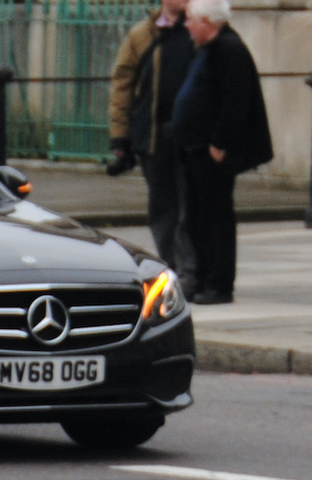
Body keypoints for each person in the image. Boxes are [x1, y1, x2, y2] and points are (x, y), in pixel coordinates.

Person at [166, 0, 270, 305]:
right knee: (198, 218)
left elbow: (235, 101)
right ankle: (204, 278)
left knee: (216, 220)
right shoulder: (208, 48)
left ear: (207, 21)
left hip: (210, 152)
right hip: (194, 149)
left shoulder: (228, 49)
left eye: (190, 20)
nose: (185, 26)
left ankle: (219, 283)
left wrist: (219, 143)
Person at [106, 0, 195, 290]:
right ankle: (170, 266)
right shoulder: (141, 34)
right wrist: (120, 135)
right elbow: (122, 85)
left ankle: (190, 269)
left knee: (190, 205)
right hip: (153, 134)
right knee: (162, 205)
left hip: (191, 135)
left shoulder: (199, 28)